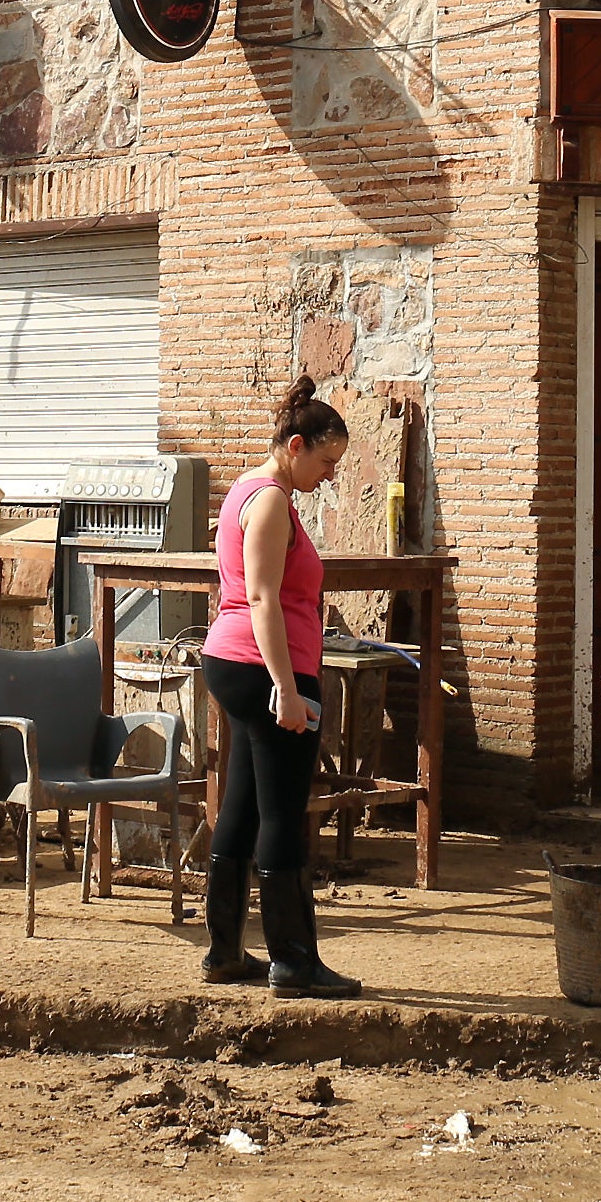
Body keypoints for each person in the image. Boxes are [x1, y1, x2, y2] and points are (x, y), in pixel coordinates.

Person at [199, 378, 361, 998]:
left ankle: (224, 952)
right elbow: (263, 599)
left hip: (237, 663)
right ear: (296, 446)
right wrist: (287, 689)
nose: (329, 474)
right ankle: (293, 961)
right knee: (284, 813)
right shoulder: (269, 501)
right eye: (326, 461)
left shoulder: (248, 490)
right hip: (263, 668)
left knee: (242, 807)